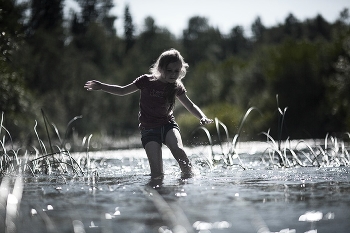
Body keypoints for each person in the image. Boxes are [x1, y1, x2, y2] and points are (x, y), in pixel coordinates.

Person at [84, 48, 213, 180]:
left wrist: (202, 116)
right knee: (157, 173)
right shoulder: (146, 81)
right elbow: (122, 91)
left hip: (168, 125)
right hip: (149, 129)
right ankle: (159, 195)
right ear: (160, 68)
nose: (173, 75)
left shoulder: (176, 86)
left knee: (178, 150)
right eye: (169, 70)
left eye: (176, 71)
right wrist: (102, 86)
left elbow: (190, 105)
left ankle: (189, 181)